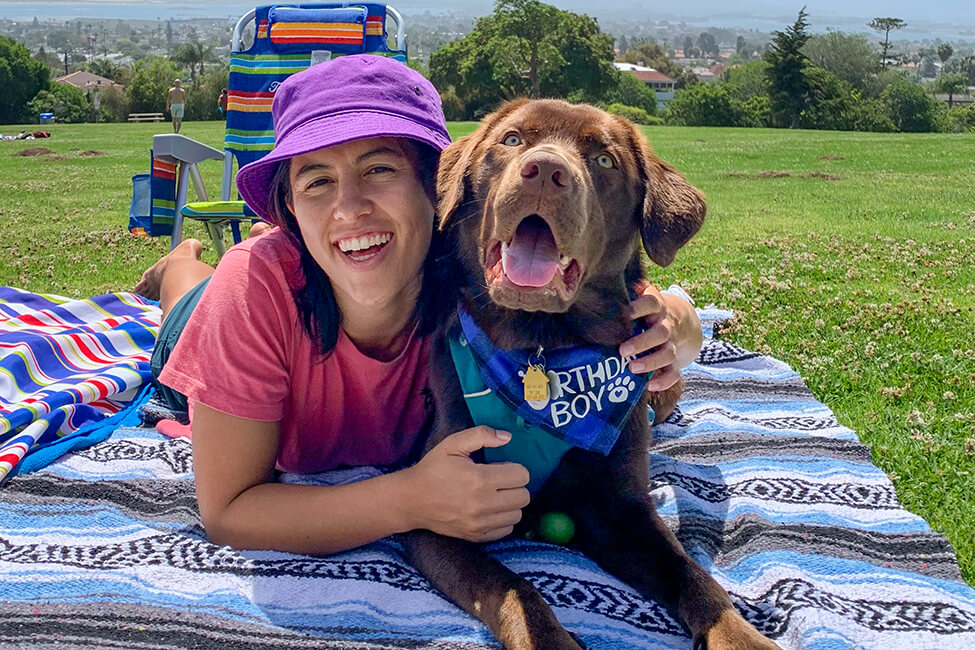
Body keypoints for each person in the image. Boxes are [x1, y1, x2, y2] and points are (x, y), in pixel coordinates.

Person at [136, 55, 704, 557]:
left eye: (380, 169)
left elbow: (648, 322)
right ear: (288, 204)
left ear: (438, 188)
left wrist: (678, 326)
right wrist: (408, 502)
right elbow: (228, 512)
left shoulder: (481, 280)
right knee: (190, 294)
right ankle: (178, 264)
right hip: (228, 310)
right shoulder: (256, 287)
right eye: (316, 182)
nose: (350, 207)